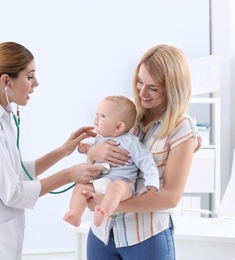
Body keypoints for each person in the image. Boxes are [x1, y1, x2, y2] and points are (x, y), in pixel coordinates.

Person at [0, 42, 105, 260]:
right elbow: (13, 192)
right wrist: (69, 175)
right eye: (30, 76)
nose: (36, 83)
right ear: (6, 81)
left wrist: (63, 150)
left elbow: (16, 173)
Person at [82, 44, 202, 260]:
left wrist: (110, 205)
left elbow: (170, 197)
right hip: (103, 235)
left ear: (172, 88)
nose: (142, 92)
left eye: (153, 88)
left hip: (145, 238)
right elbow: (95, 168)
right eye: (139, 81)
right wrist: (94, 153)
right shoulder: (129, 118)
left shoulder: (182, 128)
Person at [63, 95, 159, 227]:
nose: (96, 118)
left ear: (119, 127)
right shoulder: (99, 139)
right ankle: (75, 214)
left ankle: (103, 212)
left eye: (103, 116)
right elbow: (91, 152)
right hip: (98, 182)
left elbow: (147, 161)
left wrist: (152, 182)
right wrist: (86, 149)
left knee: (116, 188)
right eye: (97, 113)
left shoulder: (131, 142)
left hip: (123, 184)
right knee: (80, 187)